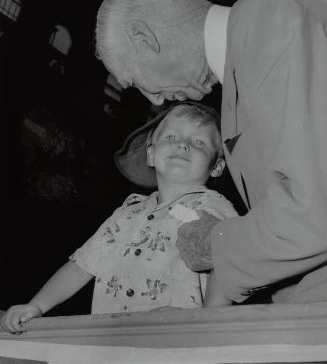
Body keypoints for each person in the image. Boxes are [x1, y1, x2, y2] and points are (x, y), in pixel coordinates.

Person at [94, 0, 327, 305]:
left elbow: (315, 210)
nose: (156, 101)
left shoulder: (271, 21)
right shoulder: (240, 79)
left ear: (143, 38)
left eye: (134, 80)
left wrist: (215, 242)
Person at [0, 102, 238, 334]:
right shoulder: (127, 213)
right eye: (171, 138)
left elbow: (229, 258)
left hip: (174, 342)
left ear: (217, 166)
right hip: (112, 342)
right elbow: (81, 266)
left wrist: (210, 325)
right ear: (151, 155)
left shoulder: (212, 207)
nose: (183, 145)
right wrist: (37, 305)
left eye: (198, 142)